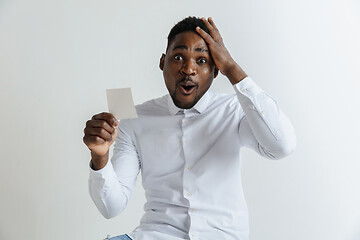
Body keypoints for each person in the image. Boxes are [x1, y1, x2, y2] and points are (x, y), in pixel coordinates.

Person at [83, 16, 296, 240]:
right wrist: (100, 156)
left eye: (202, 60)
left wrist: (232, 68)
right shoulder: (135, 120)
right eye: (178, 57)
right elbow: (111, 207)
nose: (188, 69)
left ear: (216, 70)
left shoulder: (234, 109)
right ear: (162, 62)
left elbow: (282, 146)